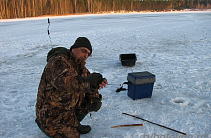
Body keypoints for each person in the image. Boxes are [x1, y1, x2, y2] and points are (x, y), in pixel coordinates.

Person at [35, 37, 108, 138]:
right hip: (51, 114)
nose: (86, 55)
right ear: (73, 49)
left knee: (87, 99)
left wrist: (95, 96)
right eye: (84, 51)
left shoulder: (81, 68)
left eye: (88, 54)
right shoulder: (57, 62)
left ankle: (74, 123)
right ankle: (44, 124)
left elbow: (89, 83)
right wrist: (88, 82)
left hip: (66, 111)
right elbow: (65, 82)